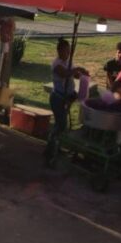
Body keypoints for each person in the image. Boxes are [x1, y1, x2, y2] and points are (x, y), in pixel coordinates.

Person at [44, 38, 88, 166]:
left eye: (69, 51)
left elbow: (73, 74)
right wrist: (77, 69)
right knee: (60, 124)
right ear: (59, 51)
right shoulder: (56, 64)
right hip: (57, 98)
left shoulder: (68, 62)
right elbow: (64, 74)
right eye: (65, 51)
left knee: (62, 124)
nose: (67, 54)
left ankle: (54, 147)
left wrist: (80, 74)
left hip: (67, 98)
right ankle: (50, 150)